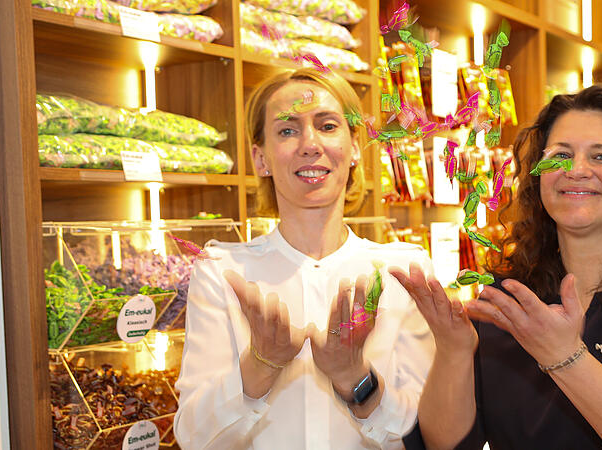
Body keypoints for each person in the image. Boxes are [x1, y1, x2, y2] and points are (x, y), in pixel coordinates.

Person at [392, 84, 602, 449]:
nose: (576, 170)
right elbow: (451, 445)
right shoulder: (508, 294)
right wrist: (453, 351)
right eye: (560, 155)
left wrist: (565, 358)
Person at [173, 68, 435, 449]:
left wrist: (355, 378)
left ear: (355, 148)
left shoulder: (404, 273)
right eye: (287, 130)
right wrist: (260, 365)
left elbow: (427, 430)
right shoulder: (222, 272)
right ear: (259, 158)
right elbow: (194, 437)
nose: (310, 144)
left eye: (328, 126)